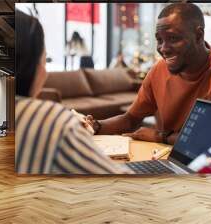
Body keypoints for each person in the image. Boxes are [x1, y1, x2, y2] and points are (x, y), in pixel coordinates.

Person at [86, 3, 211, 145]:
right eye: (159, 40)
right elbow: (131, 119)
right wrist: (96, 126)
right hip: (166, 157)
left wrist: (160, 136)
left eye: (173, 38)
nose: (163, 49)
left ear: (199, 36)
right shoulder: (159, 70)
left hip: (209, 161)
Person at [15, 10, 132, 174]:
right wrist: (72, 133)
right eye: (44, 59)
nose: (45, 72)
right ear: (31, 65)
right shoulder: (50, 120)